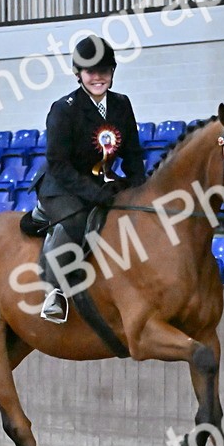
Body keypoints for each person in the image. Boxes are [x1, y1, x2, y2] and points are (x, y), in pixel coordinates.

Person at [33, 35, 147, 323]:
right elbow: (58, 163)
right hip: (61, 186)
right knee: (76, 219)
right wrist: (94, 194)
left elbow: (132, 152)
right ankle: (54, 292)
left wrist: (140, 186)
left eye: (104, 71)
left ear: (112, 72)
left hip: (102, 182)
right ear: (78, 74)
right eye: (91, 72)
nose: (98, 77)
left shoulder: (121, 104)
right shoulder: (65, 109)